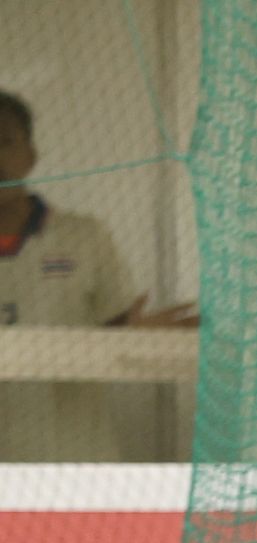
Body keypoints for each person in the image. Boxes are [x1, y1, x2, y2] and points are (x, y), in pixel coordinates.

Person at [0, 89, 198, 463]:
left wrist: (139, 339)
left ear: (30, 155)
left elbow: (119, 331)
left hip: (72, 458)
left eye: (4, 141)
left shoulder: (83, 237)